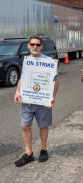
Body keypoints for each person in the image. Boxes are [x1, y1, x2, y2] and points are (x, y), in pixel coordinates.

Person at [14, 35, 59, 166]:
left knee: (43, 125)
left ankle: (43, 149)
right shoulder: (26, 60)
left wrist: (53, 96)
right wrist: (17, 91)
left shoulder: (49, 61)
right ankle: (28, 153)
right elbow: (22, 78)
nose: (35, 47)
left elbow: (55, 80)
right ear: (28, 46)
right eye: (32, 44)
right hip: (27, 99)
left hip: (42, 99)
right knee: (25, 126)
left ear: (41, 46)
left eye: (37, 45)